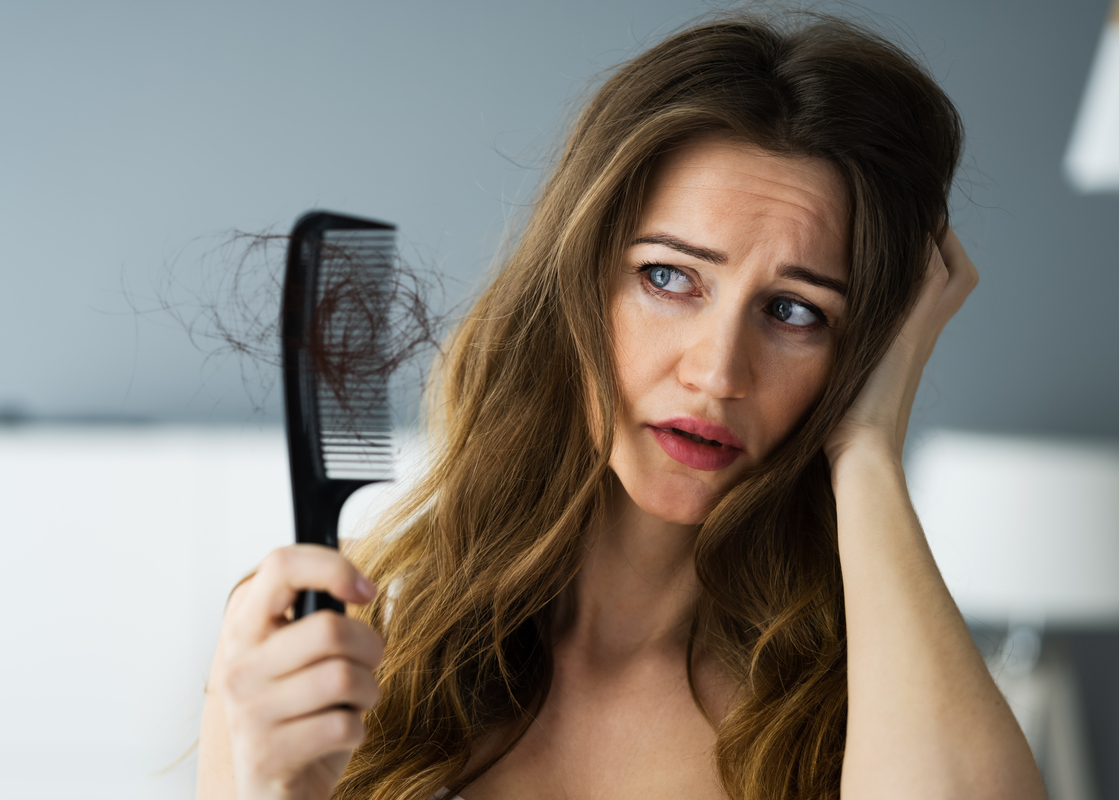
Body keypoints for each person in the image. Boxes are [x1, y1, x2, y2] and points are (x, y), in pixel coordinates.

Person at [198, 10, 1046, 800]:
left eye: (796, 311)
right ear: (574, 287)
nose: (717, 374)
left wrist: (867, 449)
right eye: (668, 278)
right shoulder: (328, 639)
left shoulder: (869, 708)